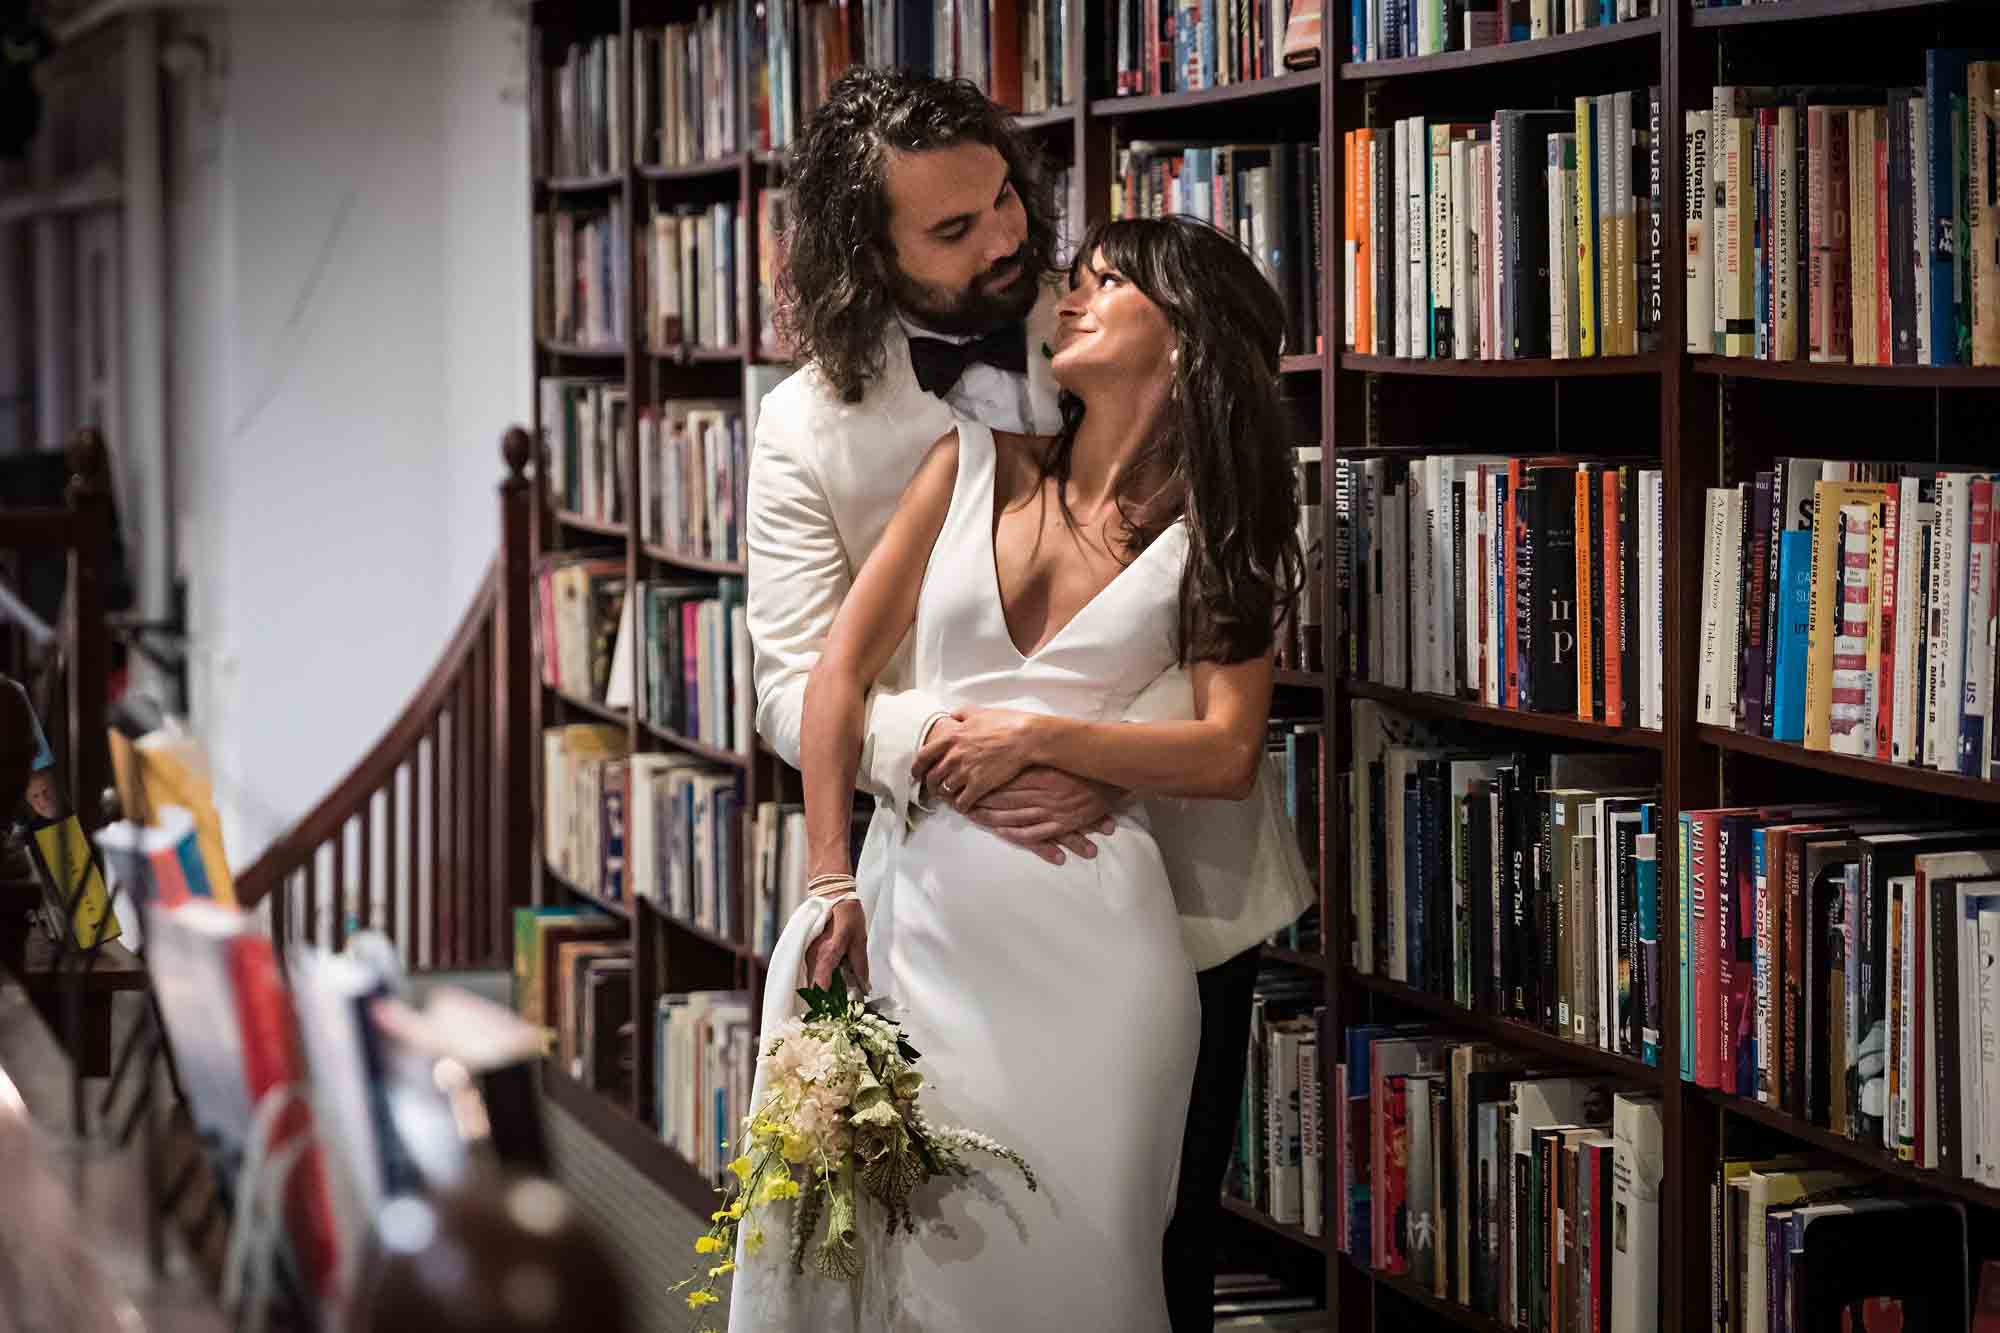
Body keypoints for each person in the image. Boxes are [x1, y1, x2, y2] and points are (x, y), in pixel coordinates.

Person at [741, 68, 1317, 1331]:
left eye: (1006, 199)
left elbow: (1206, 611)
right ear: (869, 251)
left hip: (1183, 895)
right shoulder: (805, 430)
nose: (1009, 240)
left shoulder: (1090, 319)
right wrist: (956, 750)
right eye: (954, 230)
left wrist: (1093, 750)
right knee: (930, 1246)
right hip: (944, 885)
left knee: (1143, 1238)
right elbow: (799, 675)